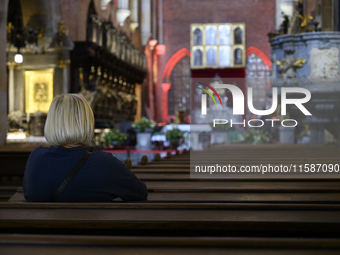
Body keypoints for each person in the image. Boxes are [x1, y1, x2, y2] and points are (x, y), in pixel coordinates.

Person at [23, 94, 148, 202]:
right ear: (87, 122)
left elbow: (28, 194)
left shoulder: (36, 158)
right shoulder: (104, 163)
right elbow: (140, 193)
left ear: (51, 123)